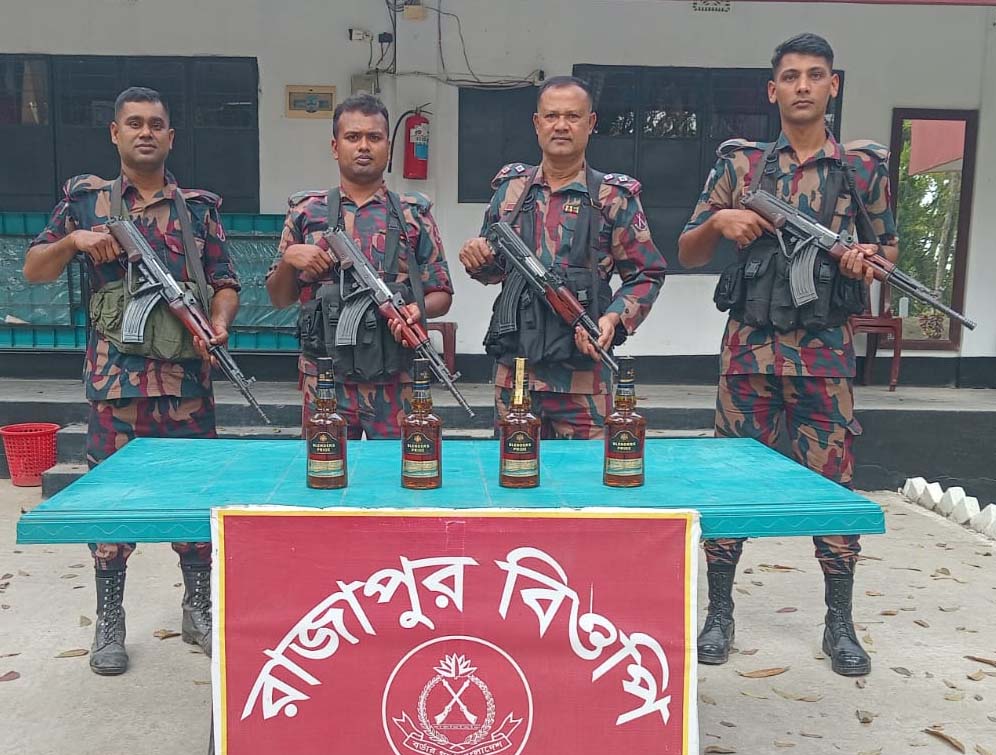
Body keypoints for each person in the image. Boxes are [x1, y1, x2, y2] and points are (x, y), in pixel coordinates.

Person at [677, 33, 899, 677]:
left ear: (833, 86)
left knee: (833, 489)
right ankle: (719, 615)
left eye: (816, 75)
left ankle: (840, 623)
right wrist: (720, 223)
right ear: (772, 90)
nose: (803, 86)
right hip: (748, 356)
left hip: (824, 358)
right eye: (792, 76)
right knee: (727, 487)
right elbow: (687, 250)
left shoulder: (862, 170)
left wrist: (865, 260)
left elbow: (887, 252)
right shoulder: (741, 167)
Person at [23, 86, 240, 674]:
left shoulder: (198, 209)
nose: (146, 132)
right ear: (115, 133)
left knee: (196, 502)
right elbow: (34, 269)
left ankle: (197, 606)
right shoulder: (85, 203)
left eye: (157, 124)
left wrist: (219, 323)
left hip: (186, 384)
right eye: (135, 123)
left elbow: (225, 281)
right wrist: (75, 240)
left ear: (171, 136)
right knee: (110, 508)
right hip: (116, 387)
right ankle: (109, 619)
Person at [459, 75, 666, 438]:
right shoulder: (510, 192)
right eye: (552, 116)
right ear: (537, 123)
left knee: (587, 470)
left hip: (583, 376)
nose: (561, 125)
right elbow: (495, 269)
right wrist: (477, 258)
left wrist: (614, 318)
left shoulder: (612, 197)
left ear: (591, 123)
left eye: (573, 116)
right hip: (517, 373)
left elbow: (646, 274)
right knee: (516, 465)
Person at [266, 93, 453, 436]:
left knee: (402, 465)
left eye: (374, 137)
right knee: (325, 464)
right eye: (353, 137)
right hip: (324, 378)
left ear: (389, 147)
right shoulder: (306, 212)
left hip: (397, 378)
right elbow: (279, 298)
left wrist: (417, 310)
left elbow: (441, 293)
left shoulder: (413, 215)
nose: (363, 146)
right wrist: (290, 261)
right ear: (335, 147)